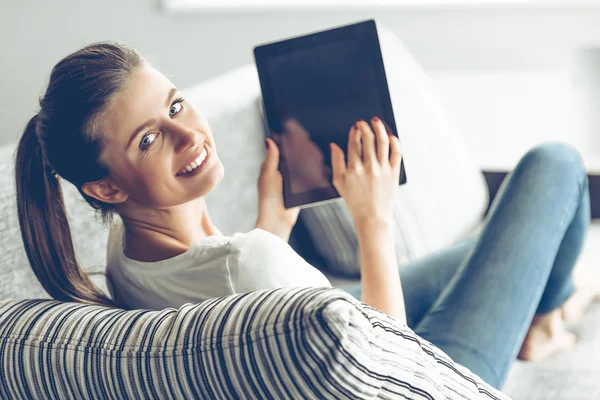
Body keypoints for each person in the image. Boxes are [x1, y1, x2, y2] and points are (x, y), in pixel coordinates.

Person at [14, 41, 598, 390]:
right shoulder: (251, 261)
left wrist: (276, 218)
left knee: (493, 251)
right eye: (147, 140)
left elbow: (235, 306)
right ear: (105, 187)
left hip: (334, 341)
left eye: (175, 104)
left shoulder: (121, 252)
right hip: (426, 377)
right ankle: (547, 319)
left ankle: (544, 312)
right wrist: (374, 221)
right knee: (554, 166)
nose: (186, 132)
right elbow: (385, 363)